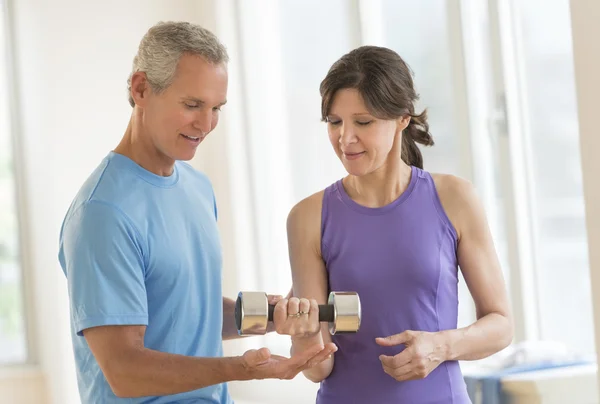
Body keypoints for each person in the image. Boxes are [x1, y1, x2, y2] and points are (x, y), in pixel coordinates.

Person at [57, 21, 335, 404]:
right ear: (141, 89)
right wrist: (243, 368)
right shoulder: (103, 213)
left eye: (215, 108)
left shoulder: (196, 187)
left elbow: (185, 312)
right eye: (192, 105)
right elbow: (125, 370)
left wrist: (270, 318)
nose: (206, 125)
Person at [272, 46, 514, 403]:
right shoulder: (307, 217)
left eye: (363, 122)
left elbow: (501, 325)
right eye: (335, 122)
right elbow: (316, 369)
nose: (345, 138)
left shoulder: (454, 198)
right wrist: (304, 335)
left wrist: (441, 345)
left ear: (402, 118)